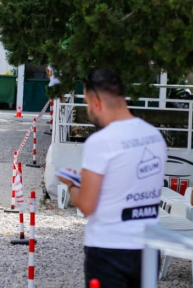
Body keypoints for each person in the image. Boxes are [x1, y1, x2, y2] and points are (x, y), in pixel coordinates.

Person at [56, 69, 166, 288]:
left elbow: (87, 205)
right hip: (149, 248)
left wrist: (71, 185)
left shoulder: (101, 141)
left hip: (109, 248)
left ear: (96, 102)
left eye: (87, 103)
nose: (88, 111)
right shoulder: (154, 135)